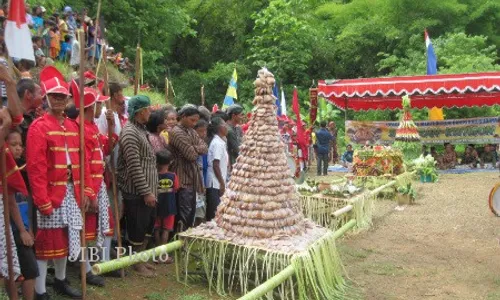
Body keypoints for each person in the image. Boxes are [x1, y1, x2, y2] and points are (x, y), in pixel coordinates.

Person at [26, 71, 95, 299]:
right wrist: (42, 199)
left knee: (67, 238)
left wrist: (86, 189)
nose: (58, 100)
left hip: (72, 192)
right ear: (46, 98)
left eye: (62, 96)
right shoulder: (39, 127)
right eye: (54, 96)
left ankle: (61, 280)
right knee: (47, 242)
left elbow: (82, 162)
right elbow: (36, 168)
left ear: (67, 99)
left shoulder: (74, 127)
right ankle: (40, 290)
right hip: (50, 193)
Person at [77, 87, 118, 284]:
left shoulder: (92, 126)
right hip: (88, 184)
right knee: (85, 228)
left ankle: (105, 262)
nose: (101, 107)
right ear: (90, 105)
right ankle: (86, 270)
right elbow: (83, 165)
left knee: (107, 222)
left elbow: (108, 146)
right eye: (99, 103)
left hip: (99, 182)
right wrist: (89, 191)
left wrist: (110, 127)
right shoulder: (80, 129)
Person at [116, 95, 158, 277]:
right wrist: (146, 192)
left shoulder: (141, 130)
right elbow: (134, 166)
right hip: (136, 191)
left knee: (147, 225)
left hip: (148, 189)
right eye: (148, 109)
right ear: (140, 111)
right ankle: (136, 263)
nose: (150, 112)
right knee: (137, 227)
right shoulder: (130, 133)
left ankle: (141, 258)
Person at [6, 129, 38, 300]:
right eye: (13, 145)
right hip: (13, 228)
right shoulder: (7, 171)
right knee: (29, 271)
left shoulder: (22, 169)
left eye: (20, 145)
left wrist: (30, 228)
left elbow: (28, 204)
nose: (18, 148)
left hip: (23, 226)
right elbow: (10, 203)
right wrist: (23, 230)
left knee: (19, 271)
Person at [169, 105, 208, 231]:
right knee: (183, 214)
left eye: (196, 120)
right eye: (192, 120)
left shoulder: (191, 131)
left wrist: (194, 148)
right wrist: (196, 148)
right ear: (183, 117)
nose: (194, 123)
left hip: (192, 178)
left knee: (191, 212)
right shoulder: (176, 132)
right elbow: (190, 155)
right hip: (181, 178)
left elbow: (205, 147)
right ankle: (180, 239)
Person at [154, 149, 178, 264]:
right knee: (166, 230)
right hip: (169, 207)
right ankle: (163, 255)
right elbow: (176, 188)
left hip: (157, 207)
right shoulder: (173, 176)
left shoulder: (154, 176)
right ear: (170, 163)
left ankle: (157, 253)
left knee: (157, 229)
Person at [205, 117, 229, 221]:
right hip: (215, 183)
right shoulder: (217, 143)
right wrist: (222, 184)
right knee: (214, 213)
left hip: (217, 182)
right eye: (225, 125)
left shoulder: (220, 142)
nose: (227, 127)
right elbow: (216, 164)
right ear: (220, 128)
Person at [194, 119, 208, 225]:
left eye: (205, 131)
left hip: (202, 180)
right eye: (200, 131)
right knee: (197, 212)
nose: (203, 134)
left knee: (201, 209)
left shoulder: (203, 144)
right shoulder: (195, 144)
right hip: (195, 181)